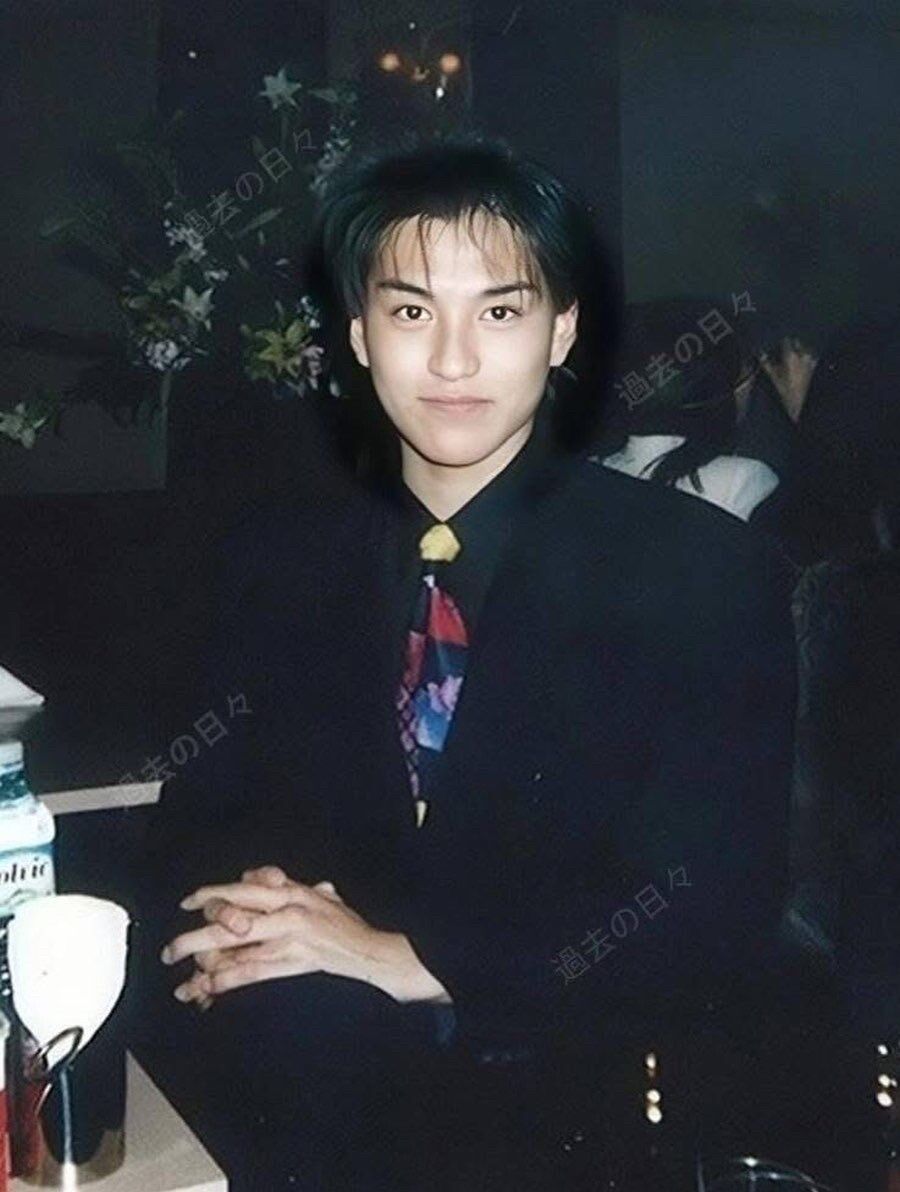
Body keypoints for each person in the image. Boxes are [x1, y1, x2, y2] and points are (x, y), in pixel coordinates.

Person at [140, 133, 799, 1190]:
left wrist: (406, 958)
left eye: (499, 312)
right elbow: (200, 811)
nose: (452, 361)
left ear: (561, 330)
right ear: (359, 334)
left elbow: (712, 904)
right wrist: (241, 917)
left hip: (581, 1109)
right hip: (301, 1091)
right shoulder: (278, 558)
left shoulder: (700, 572)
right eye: (412, 312)